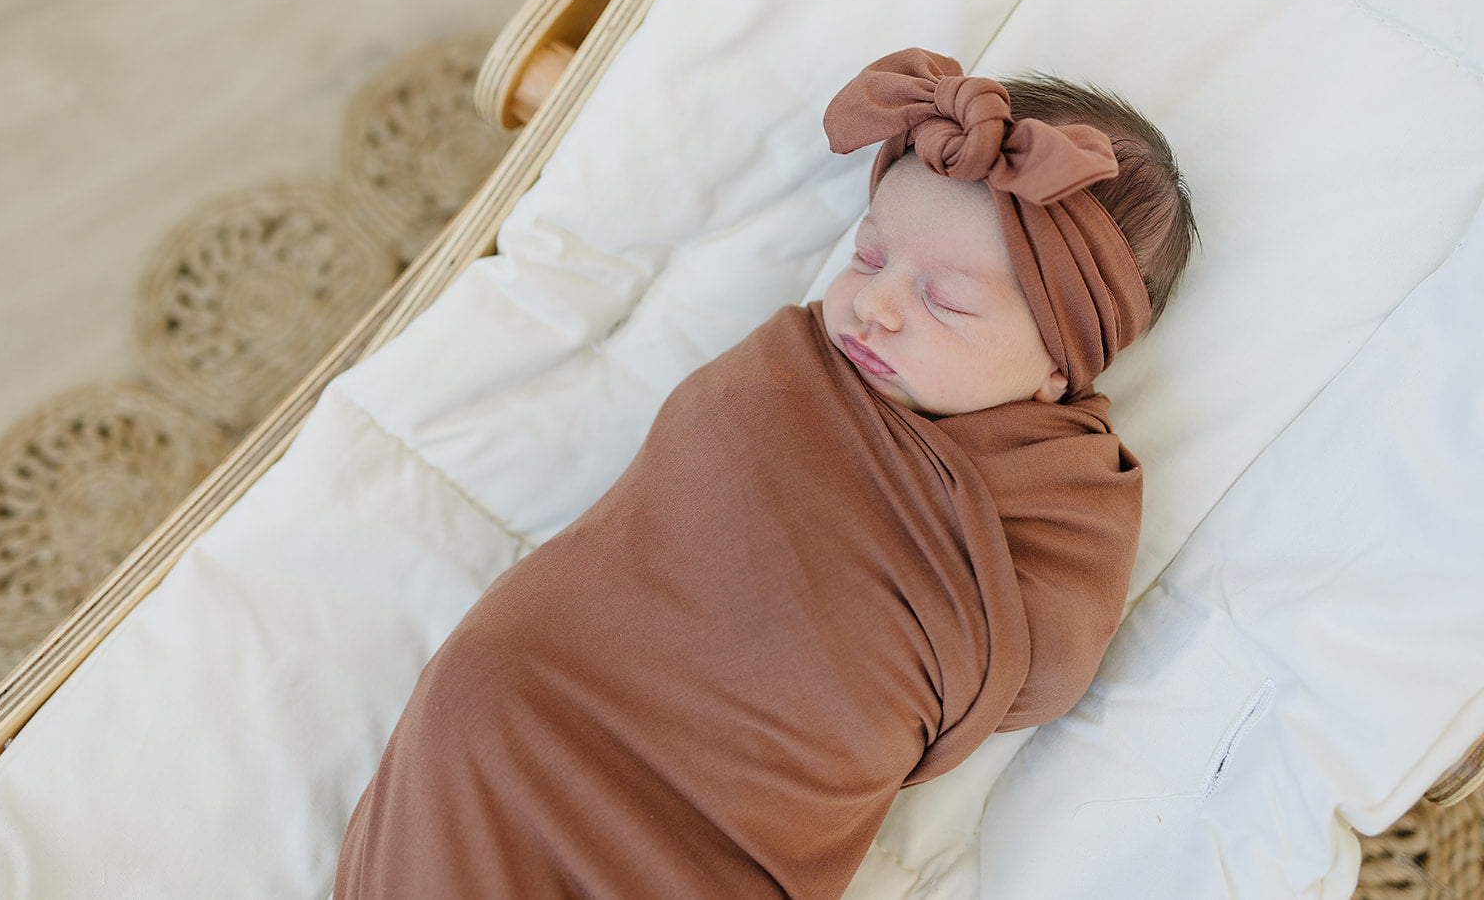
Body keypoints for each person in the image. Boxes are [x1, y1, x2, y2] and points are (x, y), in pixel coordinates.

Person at [335, 48, 1196, 898]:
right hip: (526, 702)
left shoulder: (1068, 492)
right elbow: (684, 479)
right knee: (476, 739)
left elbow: (1041, 669)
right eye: (867, 256)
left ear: (1059, 365)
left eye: (946, 300)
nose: (877, 303)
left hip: (719, 826)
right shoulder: (786, 375)